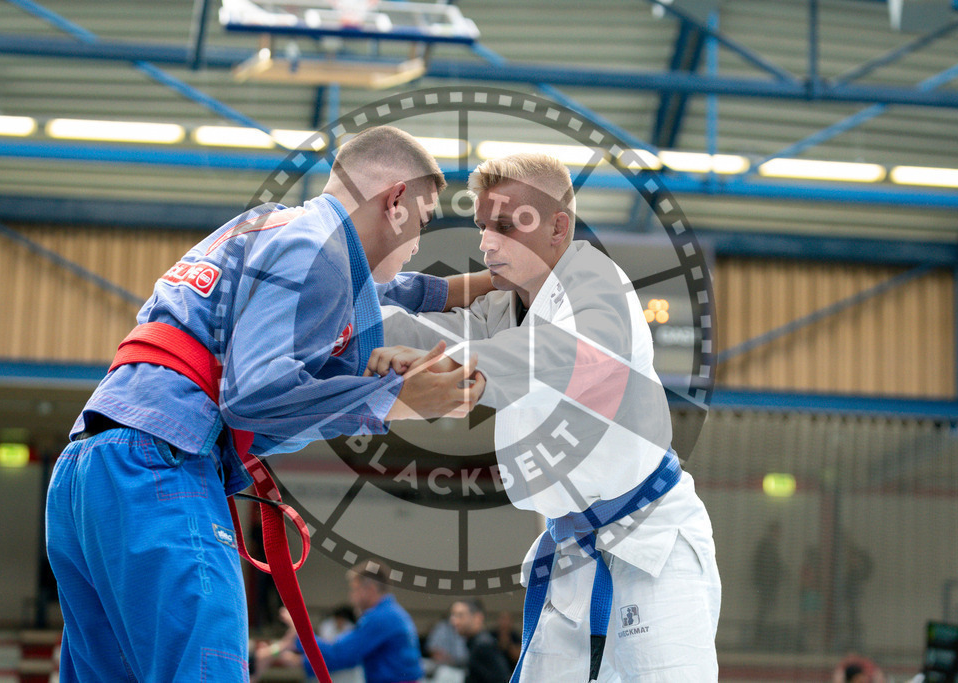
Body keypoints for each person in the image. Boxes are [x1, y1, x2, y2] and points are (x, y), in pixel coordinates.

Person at [45, 125, 492, 682]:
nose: (418, 244)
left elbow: (371, 283)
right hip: (161, 466)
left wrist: (456, 291)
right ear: (396, 201)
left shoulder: (277, 228)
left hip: (91, 468)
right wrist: (394, 396)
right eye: (423, 224)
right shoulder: (319, 249)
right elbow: (252, 399)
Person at [369, 153, 721, 681]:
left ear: (559, 227)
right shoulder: (506, 307)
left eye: (507, 226)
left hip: (651, 544)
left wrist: (454, 364)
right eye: (483, 226)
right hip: (573, 553)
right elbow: (445, 337)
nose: (487, 242)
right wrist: (360, 328)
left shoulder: (596, 284)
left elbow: (563, 356)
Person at [286, 560, 425, 683]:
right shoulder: (393, 613)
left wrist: (299, 633)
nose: (351, 597)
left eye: (355, 589)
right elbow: (346, 655)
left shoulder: (381, 618)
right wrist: (302, 661)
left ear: (370, 589)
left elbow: (340, 654)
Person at [449, 599, 512, 683]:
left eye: (460, 615)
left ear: (478, 618)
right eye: (453, 615)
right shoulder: (474, 643)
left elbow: (501, 678)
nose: (454, 621)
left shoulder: (483, 646)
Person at [752, 520, 785, 647]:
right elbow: (766, 568)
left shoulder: (770, 547)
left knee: (766, 611)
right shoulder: (766, 547)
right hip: (766, 586)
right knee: (764, 612)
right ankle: (760, 638)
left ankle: (763, 637)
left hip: (769, 585)